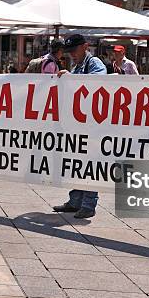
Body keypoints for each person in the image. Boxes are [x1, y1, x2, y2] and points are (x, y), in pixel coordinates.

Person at [53, 34, 107, 219]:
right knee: (77, 163)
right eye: (69, 52)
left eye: (74, 51)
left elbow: (97, 83)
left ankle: (88, 204)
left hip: (93, 125)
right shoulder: (78, 67)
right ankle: (75, 201)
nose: (71, 55)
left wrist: (71, 78)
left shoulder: (95, 64)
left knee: (90, 164)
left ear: (85, 47)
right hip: (79, 125)